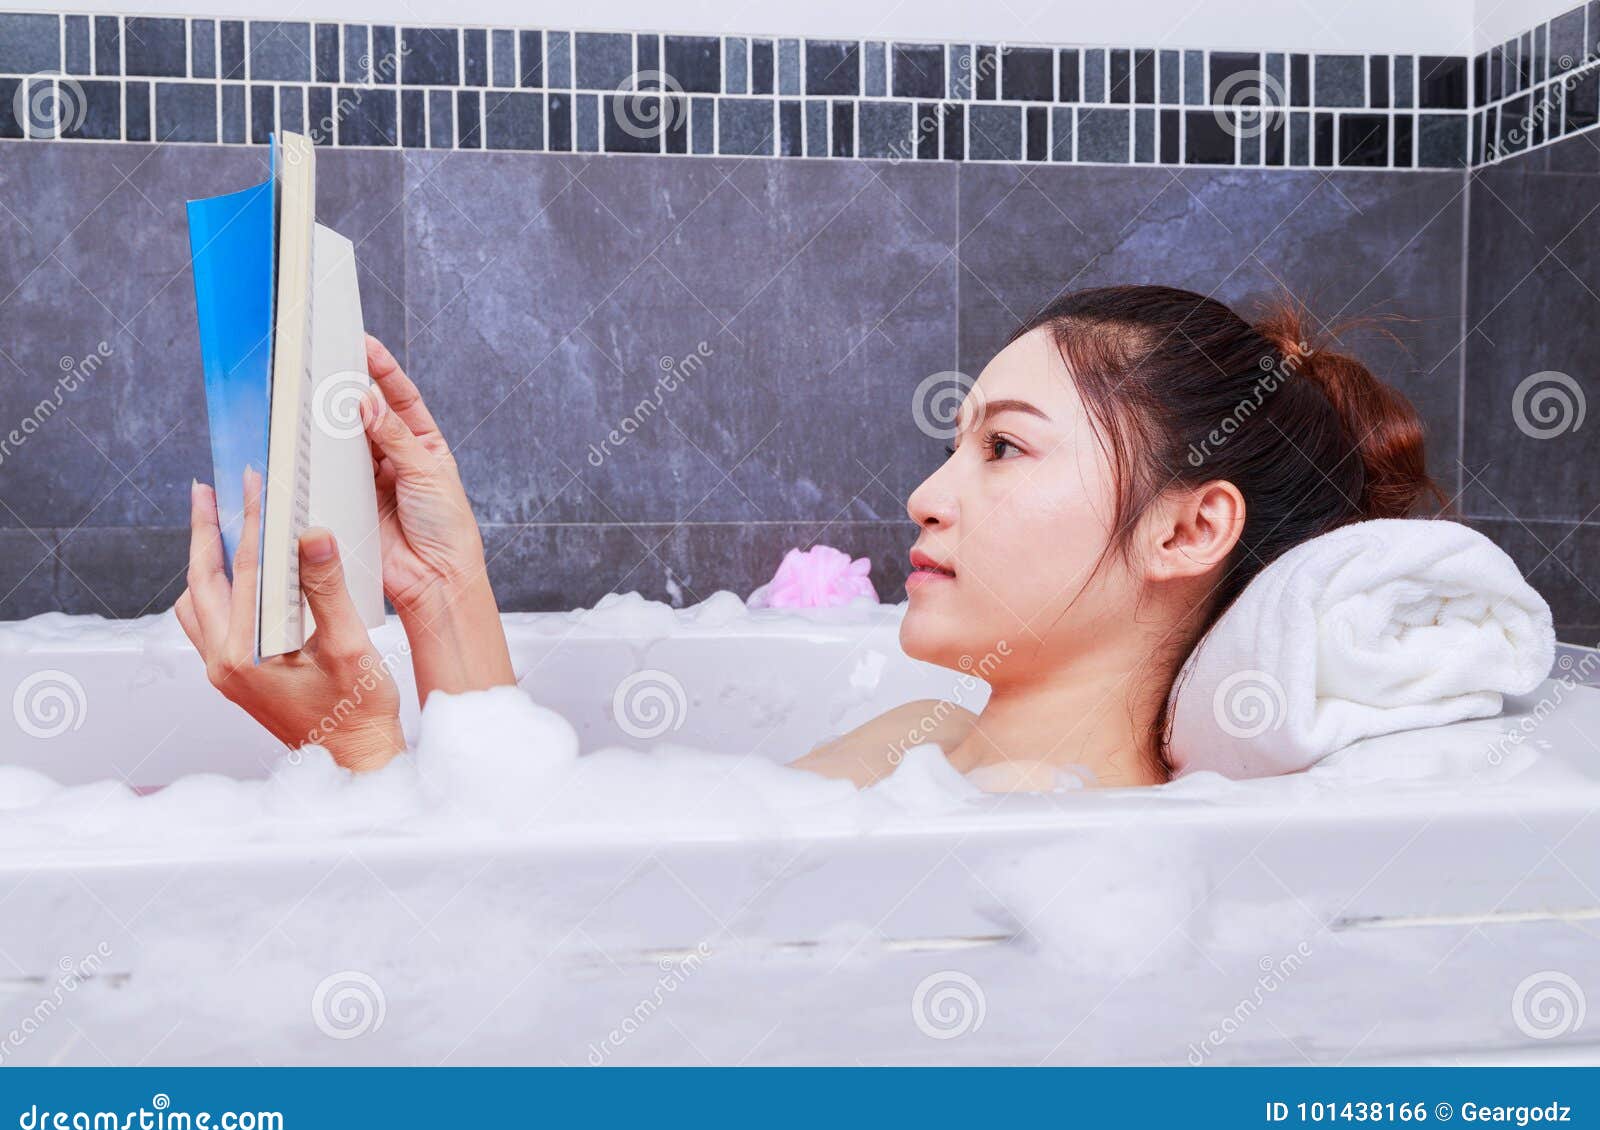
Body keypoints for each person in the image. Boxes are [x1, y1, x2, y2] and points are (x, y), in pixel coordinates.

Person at [176, 285, 1437, 788]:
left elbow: (539, 1020)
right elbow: (577, 897)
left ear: (1187, 526)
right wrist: (444, 582)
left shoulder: (1051, 841)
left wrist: (362, 748)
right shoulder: (936, 743)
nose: (925, 496)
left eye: (1002, 447)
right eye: (956, 445)